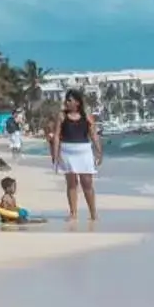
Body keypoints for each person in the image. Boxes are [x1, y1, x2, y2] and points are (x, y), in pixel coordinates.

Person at [53, 89, 101, 223]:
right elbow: (57, 136)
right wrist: (56, 154)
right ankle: (73, 213)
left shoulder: (87, 116)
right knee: (71, 183)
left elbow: (94, 135)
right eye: (66, 100)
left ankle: (93, 213)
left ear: (77, 102)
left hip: (84, 151)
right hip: (67, 151)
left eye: (69, 100)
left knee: (87, 183)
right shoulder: (62, 116)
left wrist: (99, 152)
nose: (66, 102)